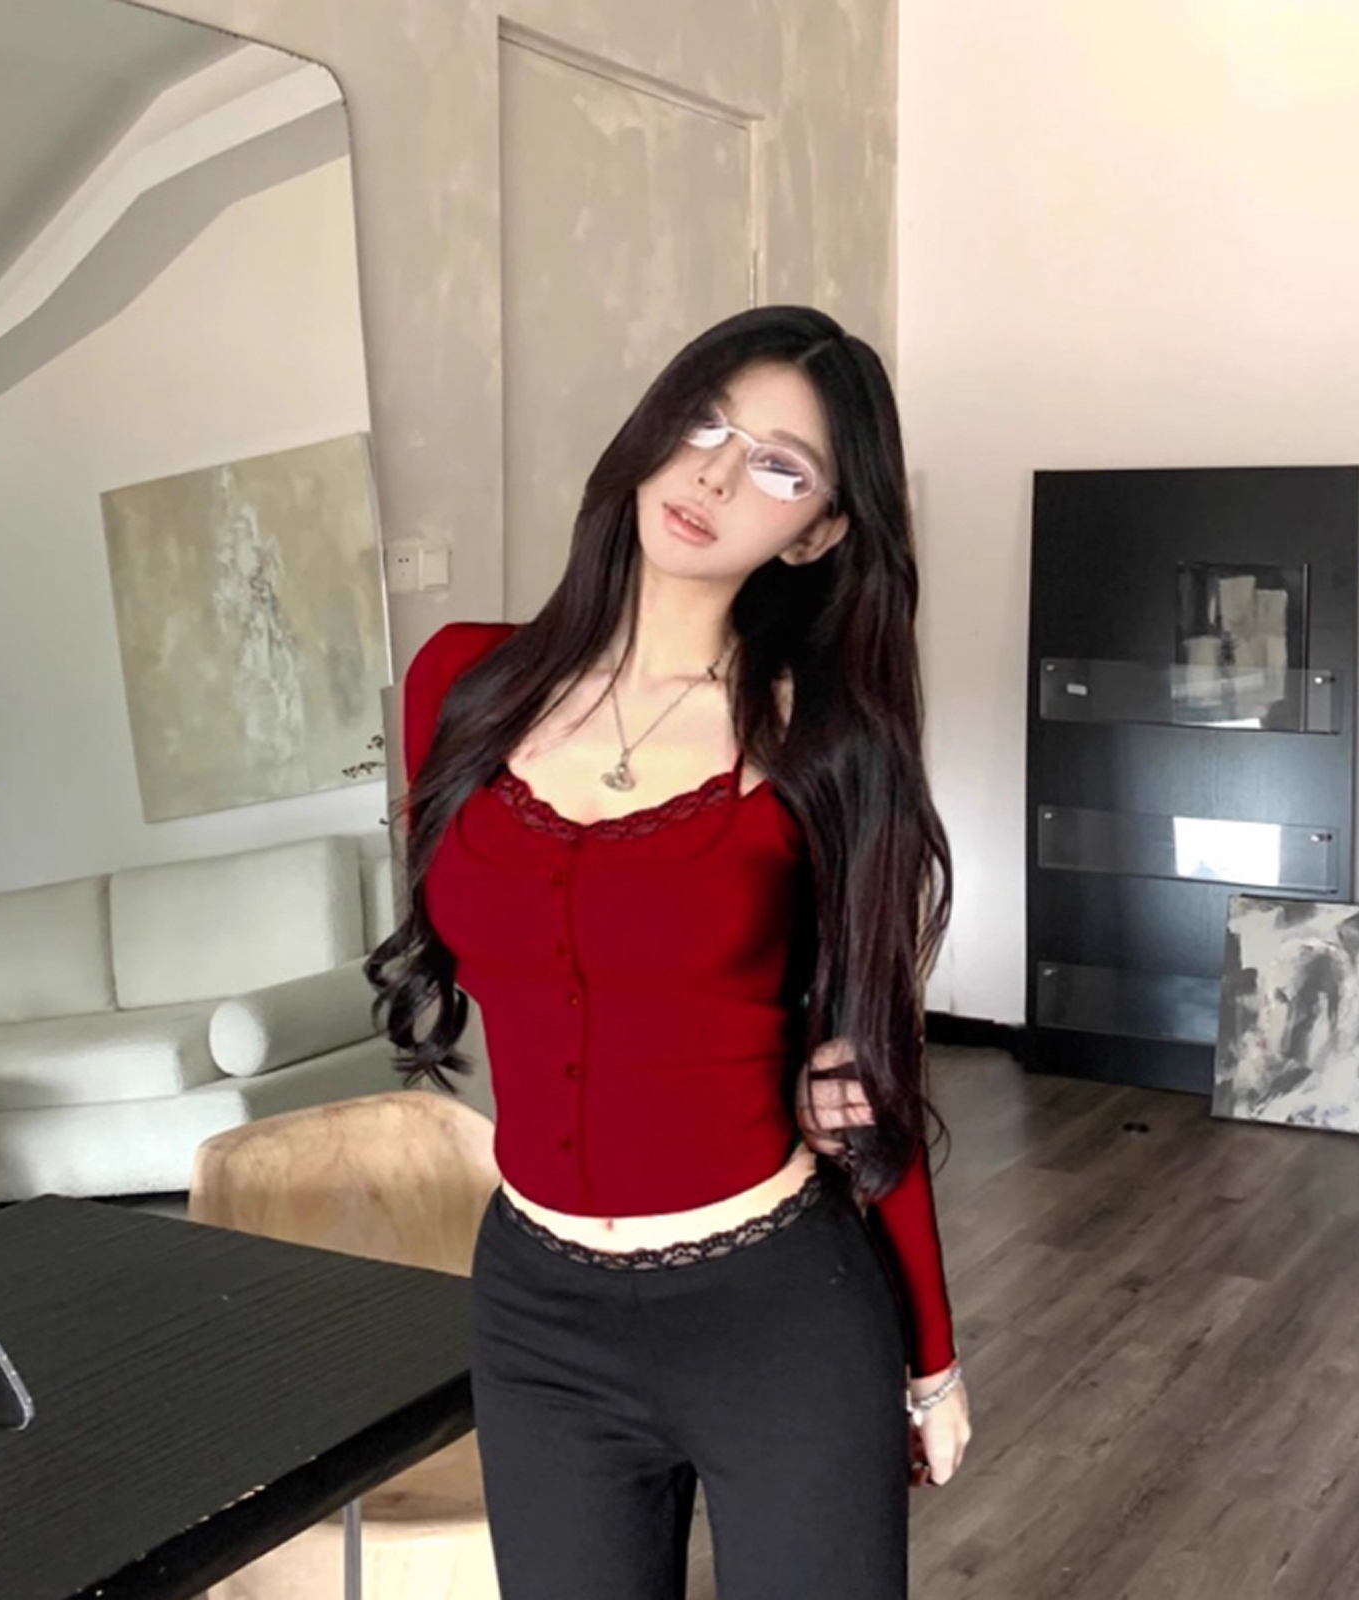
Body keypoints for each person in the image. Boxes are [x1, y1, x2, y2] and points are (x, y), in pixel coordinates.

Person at [369, 304, 971, 1599]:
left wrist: (932, 1354)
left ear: (817, 532)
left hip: (774, 1315)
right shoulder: (460, 686)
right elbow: (521, 952)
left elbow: (871, 1068)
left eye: (779, 466)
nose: (713, 476)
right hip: (537, 1316)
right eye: (704, 425)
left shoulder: (823, 745)